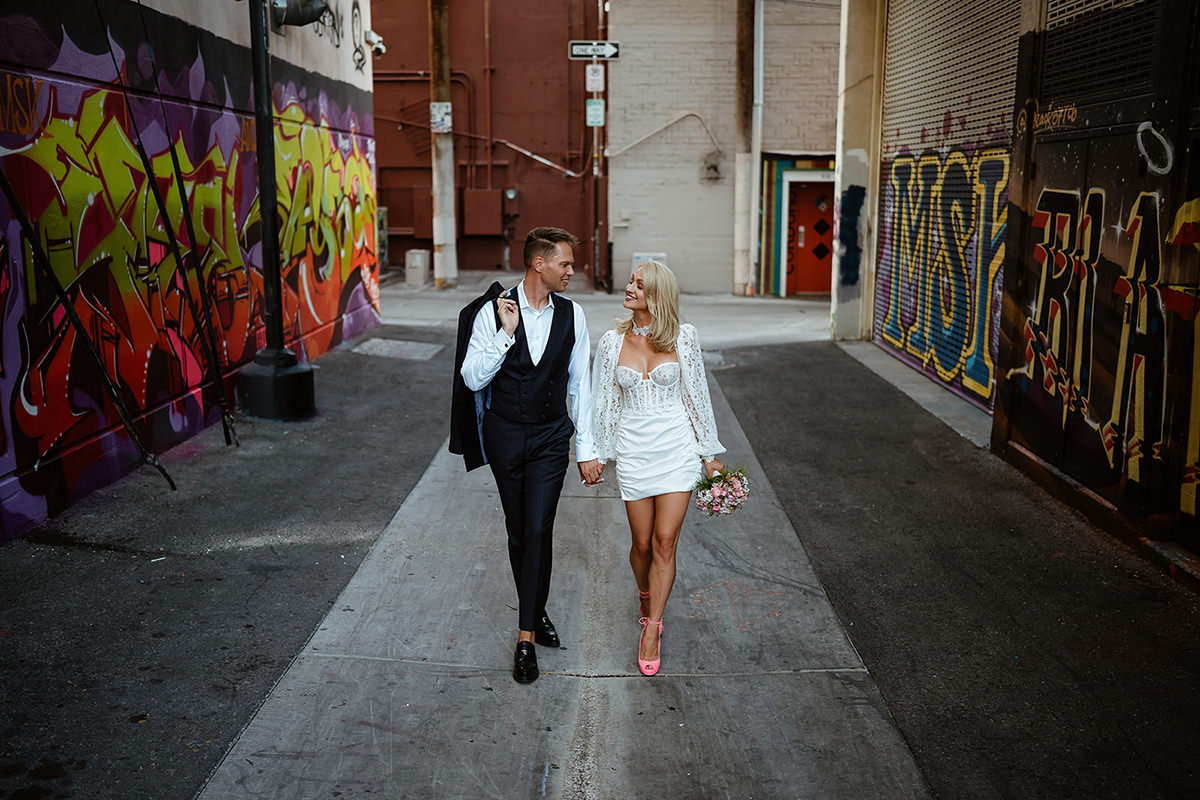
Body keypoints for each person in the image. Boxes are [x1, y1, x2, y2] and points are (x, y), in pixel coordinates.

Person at [455, 226, 604, 684]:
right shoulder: (492, 311)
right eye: (565, 263)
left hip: (550, 438)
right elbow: (471, 377)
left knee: (538, 527)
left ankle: (525, 639)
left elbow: (580, 385)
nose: (572, 271)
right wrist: (506, 335)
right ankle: (535, 610)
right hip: (505, 436)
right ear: (539, 264)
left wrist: (587, 449)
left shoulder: (574, 314)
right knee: (519, 530)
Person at [591, 261, 724, 676]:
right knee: (642, 544)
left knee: (665, 542)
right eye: (631, 281)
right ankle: (646, 594)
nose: (629, 288)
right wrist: (597, 453)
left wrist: (709, 453)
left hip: (676, 448)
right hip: (634, 450)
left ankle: (652, 627)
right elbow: (603, 402)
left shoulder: (685, 338)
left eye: (639, 285)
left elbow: (697, 396)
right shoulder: (612, 343)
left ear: (658, 296)